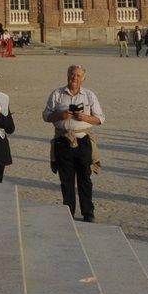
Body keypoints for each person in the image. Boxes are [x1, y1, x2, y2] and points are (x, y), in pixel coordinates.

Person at [41, 65, 103, 221]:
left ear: (83, 78)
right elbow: (46, 116)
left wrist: (84, 117)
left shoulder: (89, 95)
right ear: (67, 75)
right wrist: (60, 115)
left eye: (78, 75)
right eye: (72, 74)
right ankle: (68, 211)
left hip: (83, 140)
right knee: (66, 180)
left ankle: (88, 212)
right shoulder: (57, 94)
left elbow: (100, 118)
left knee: (85, 178)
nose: (74, 78)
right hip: (62, 140)